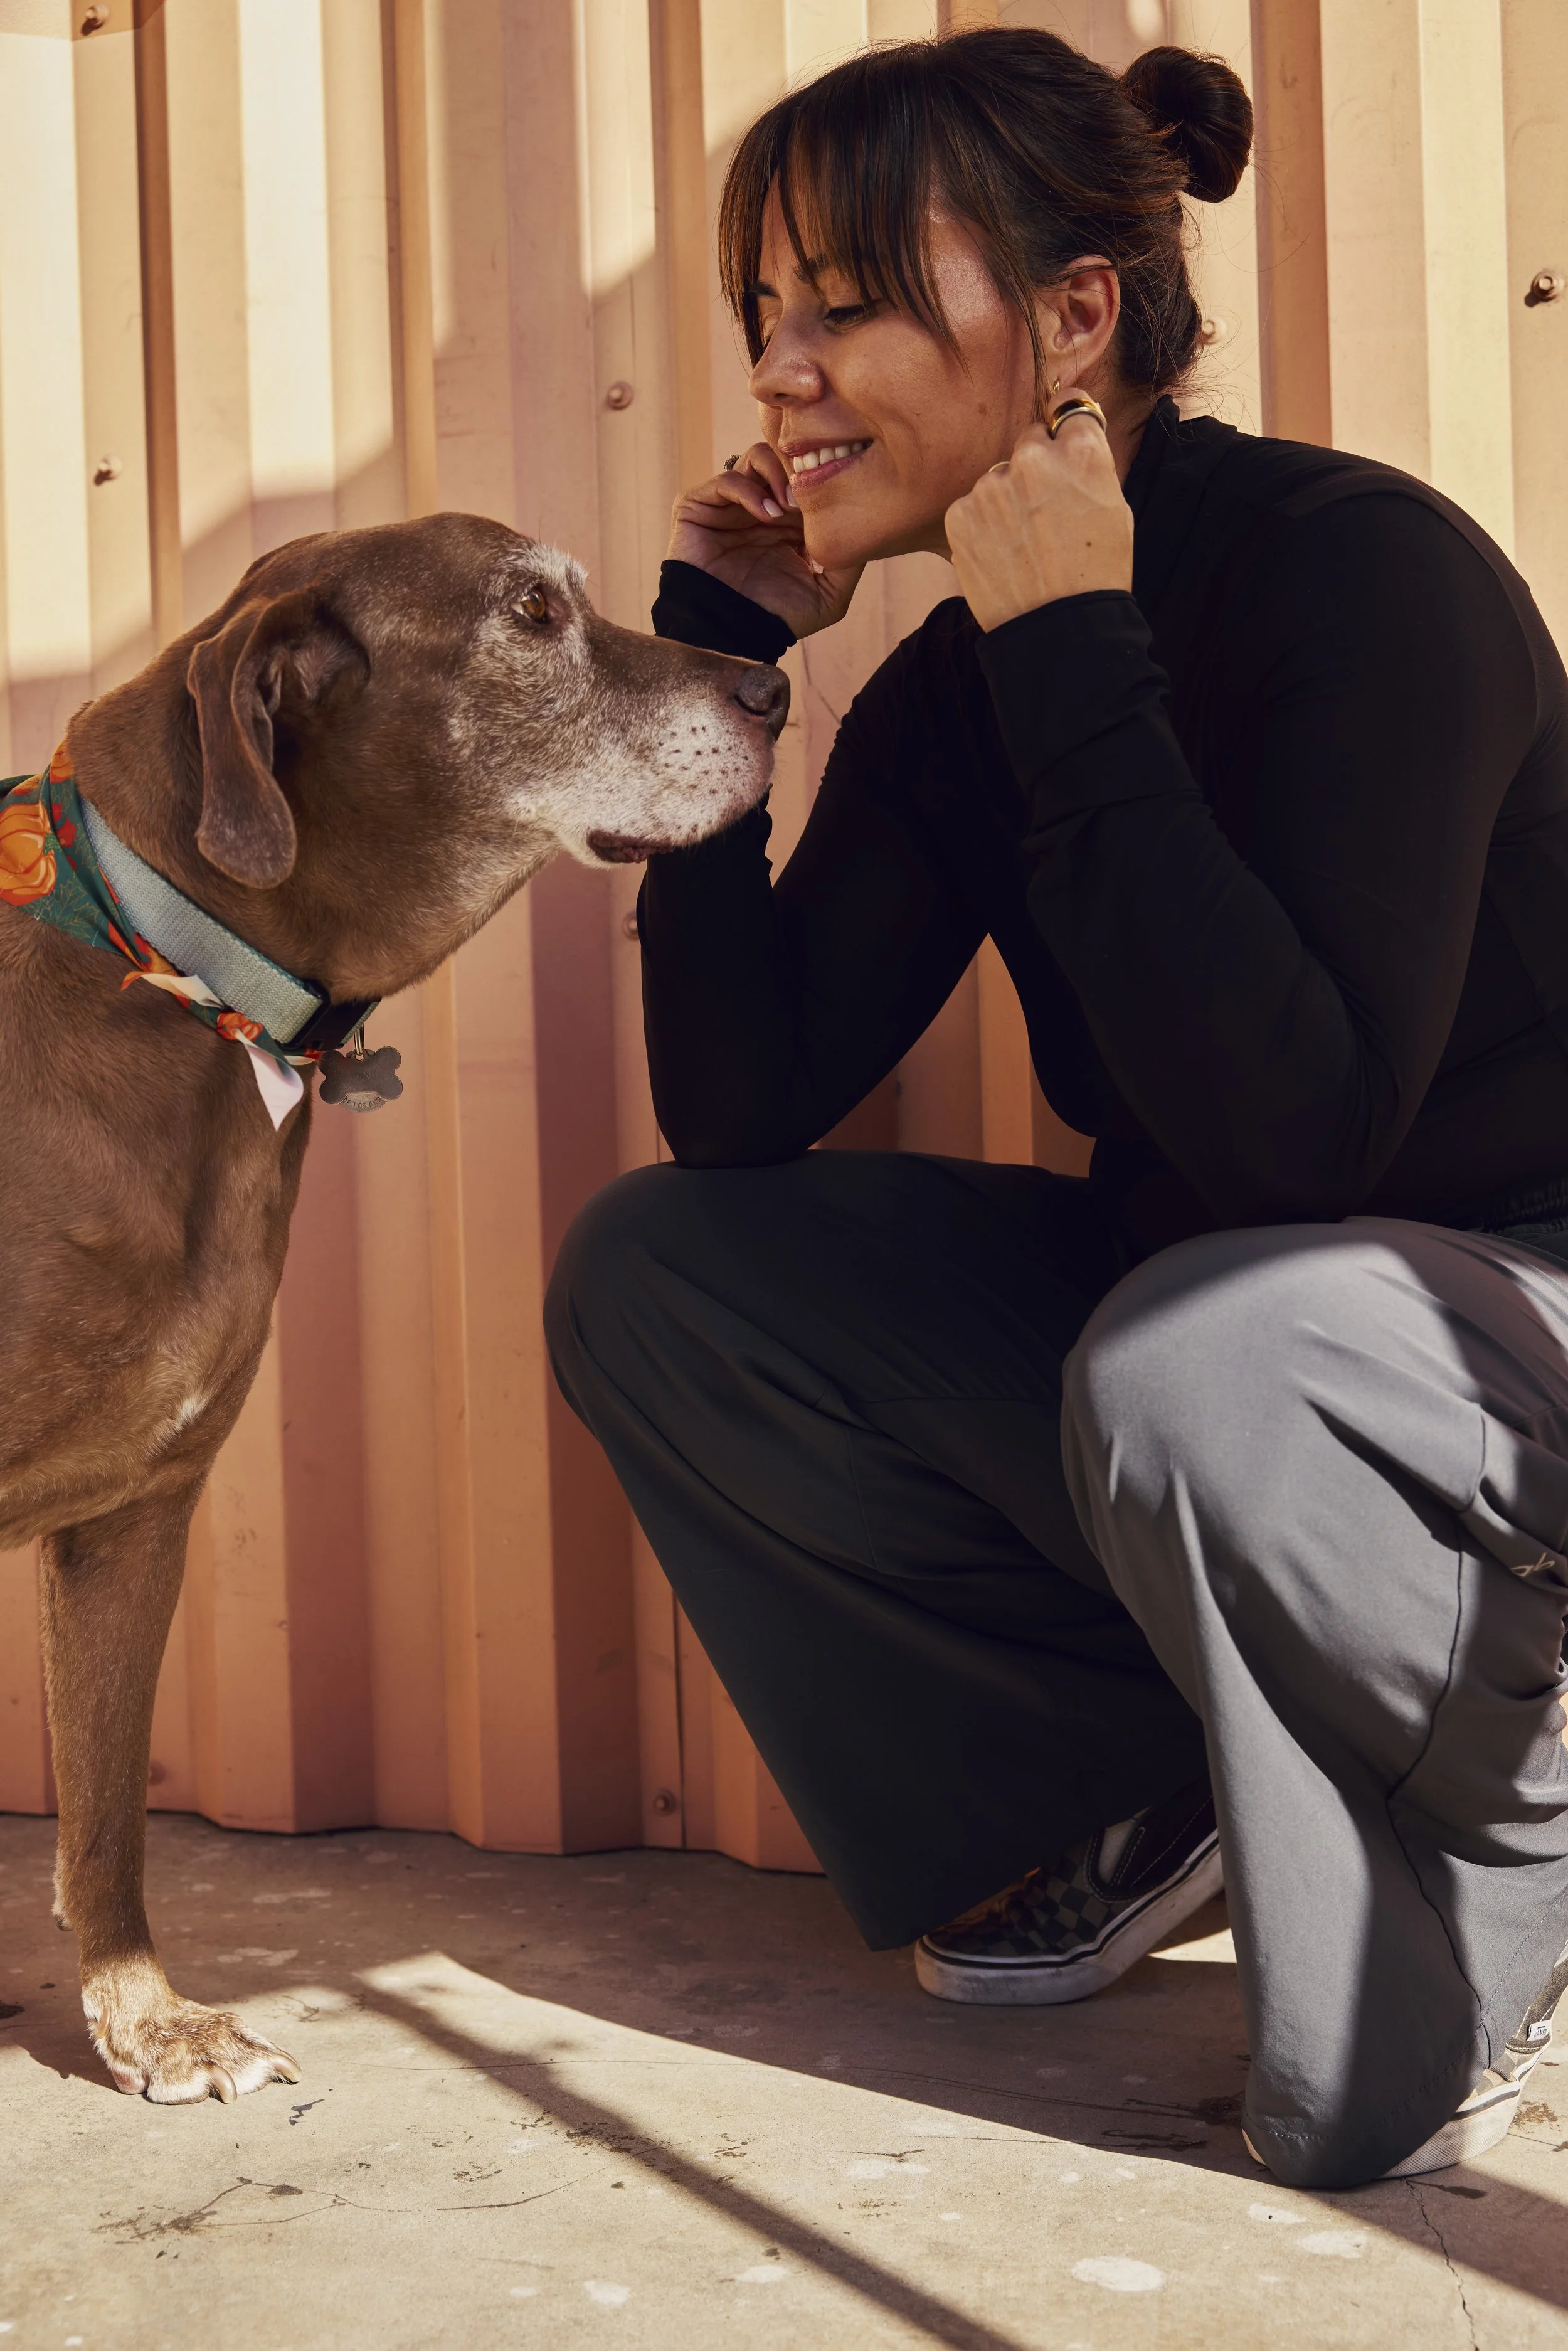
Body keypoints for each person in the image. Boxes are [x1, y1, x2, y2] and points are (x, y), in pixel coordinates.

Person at [545, 26, 1568, 2189]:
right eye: (763, 317)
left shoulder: (1361, 576)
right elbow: (736, 1109)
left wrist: (1075, 648)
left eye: (841, 307)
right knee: (666, 1272)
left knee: (1203, 1345)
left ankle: (1505, 1817)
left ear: (1076, 315)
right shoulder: (959, 686)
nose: (780, 376)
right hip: (1236, 1356)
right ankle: (1127, 1786)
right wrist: (721, 675)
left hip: (1506, 1345)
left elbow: (1303, 1146)